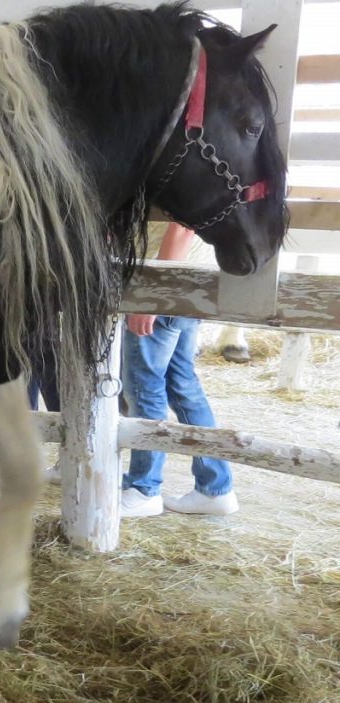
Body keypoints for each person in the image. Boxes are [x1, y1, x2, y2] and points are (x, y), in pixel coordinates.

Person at [120, 221, 239, 518]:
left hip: (166, 286)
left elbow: (181, 227)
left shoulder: (177, 173)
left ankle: (143, 488)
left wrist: (152, 296)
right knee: (182, 385)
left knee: (143, 386)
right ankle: (215, 487)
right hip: (188, 284)